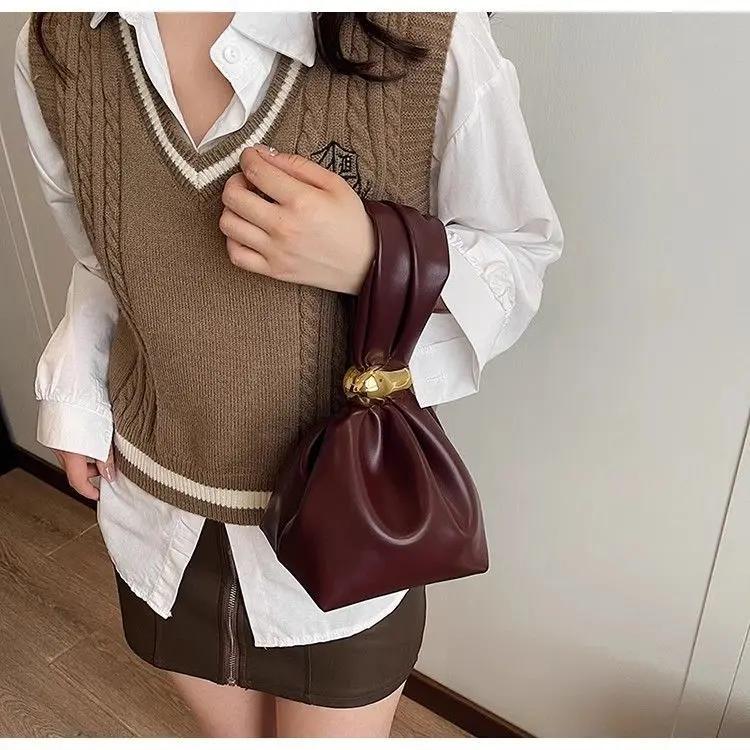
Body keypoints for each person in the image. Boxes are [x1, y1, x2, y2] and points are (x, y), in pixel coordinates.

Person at [14, 11, 563, 738]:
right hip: (156, 514)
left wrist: (373, 255)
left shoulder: (423, 33)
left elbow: (518, 259)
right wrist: (78, 402)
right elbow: (101, 258)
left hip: (345, 528)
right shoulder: (58, 41)